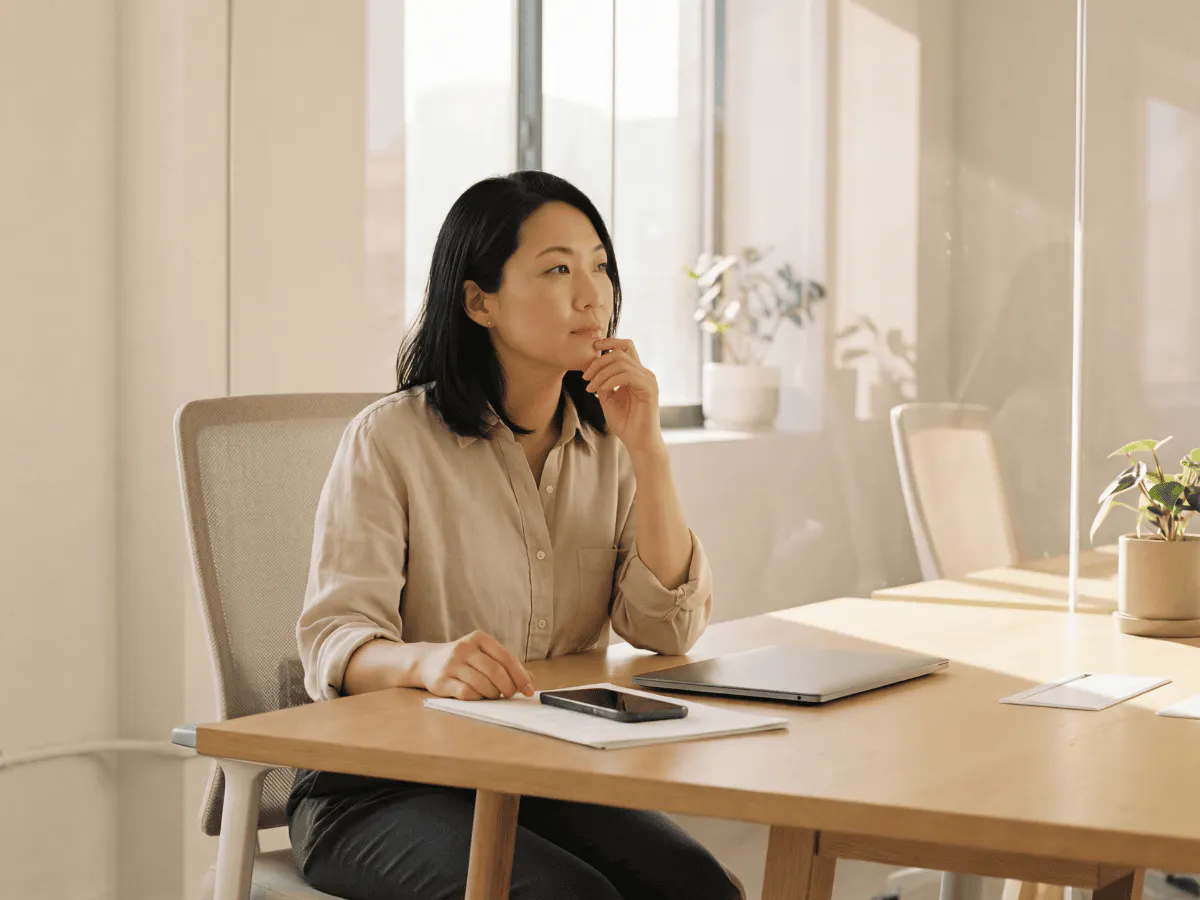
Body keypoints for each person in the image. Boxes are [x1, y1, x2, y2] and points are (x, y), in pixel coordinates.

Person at [286, 171, 741, 900]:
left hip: (542, 777)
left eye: (599, 266)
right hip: (378, 789)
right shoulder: (392, 440)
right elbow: (333, 640)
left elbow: (665, 630)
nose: (591, 294)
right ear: (479, 301)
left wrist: (650, 453)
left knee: (698, 889)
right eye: (558, 269)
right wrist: (428, 663)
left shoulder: (611, 446)